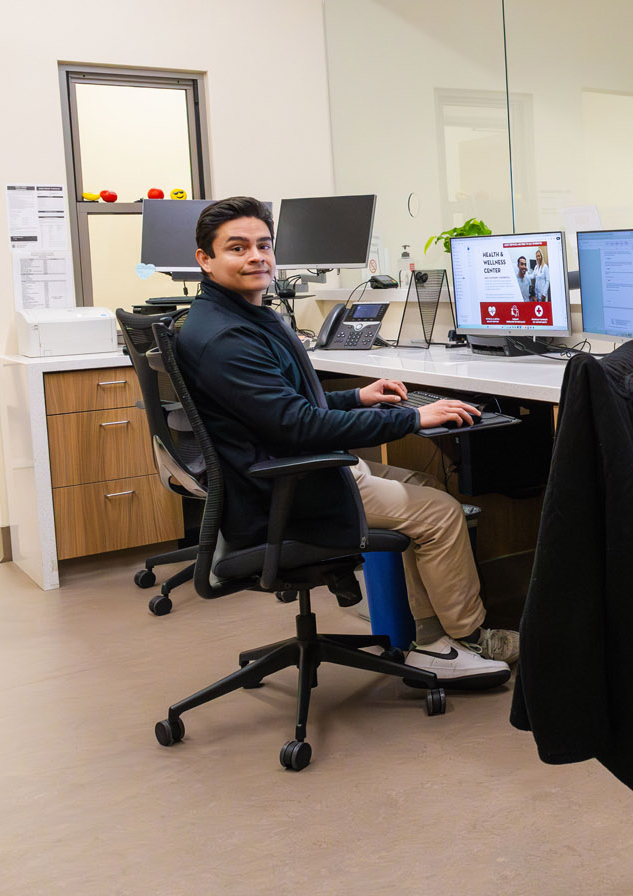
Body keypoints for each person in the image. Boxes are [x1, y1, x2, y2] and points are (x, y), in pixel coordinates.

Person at [175, 196, 520, 688]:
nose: (257, 256)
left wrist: (357, 397)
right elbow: (299, 425)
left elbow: (288, 406)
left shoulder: (242, 316)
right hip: (289, 484)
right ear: (205, 260)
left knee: (422, 482)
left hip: (287, 465)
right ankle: (463, 641)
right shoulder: (227, 337)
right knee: (440, 512)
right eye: (237, 248)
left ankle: (430, 636)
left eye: (264, 245)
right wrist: (412, 420)